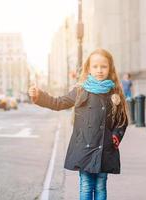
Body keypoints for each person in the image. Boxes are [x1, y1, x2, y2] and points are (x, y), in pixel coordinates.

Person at [28, 48, 128, 200]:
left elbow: (122, 120)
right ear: (88, 68)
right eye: (95, 66)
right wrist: (39, 96)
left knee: (101, 185)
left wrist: (115, 137)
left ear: (110, 68)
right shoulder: (80, 91)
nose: (99, 70)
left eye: (103, 66)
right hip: (84, 147)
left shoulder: (115, 92)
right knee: (86, 185)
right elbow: (58, 103)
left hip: (105, 148)